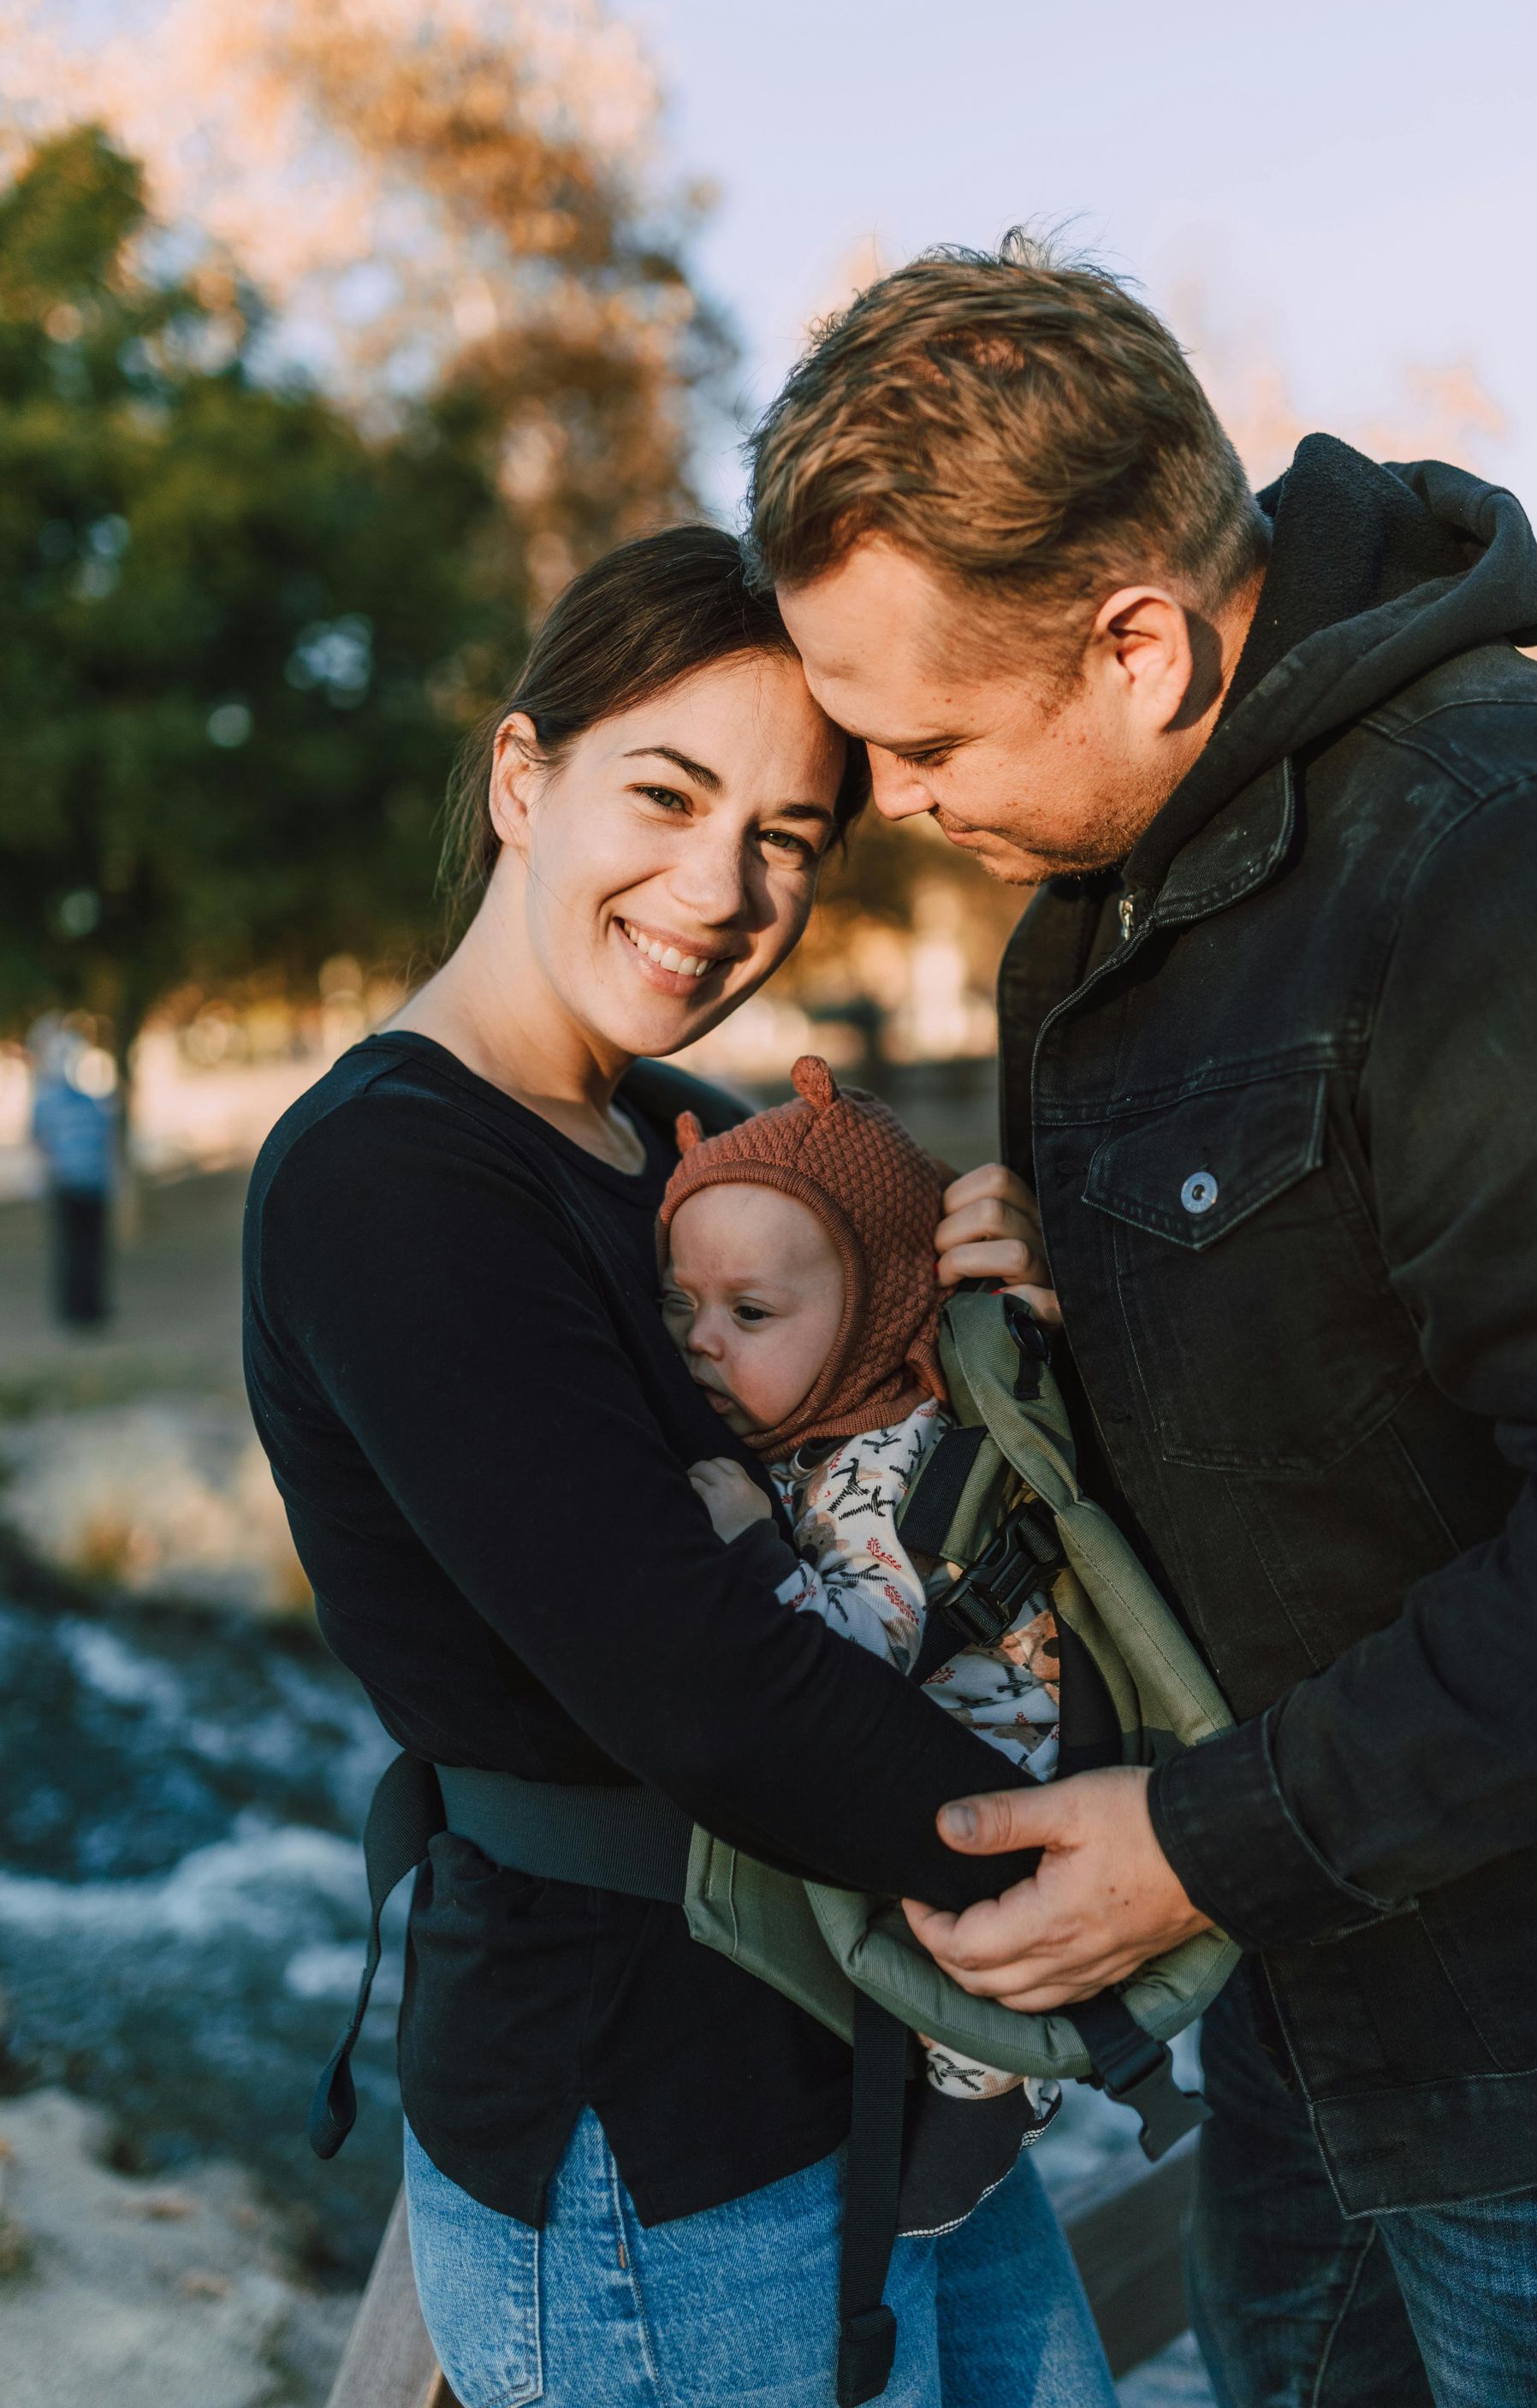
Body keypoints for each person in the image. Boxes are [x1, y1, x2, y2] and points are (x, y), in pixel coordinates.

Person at [746, 237, 1537, 2405]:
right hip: (1305, 2027)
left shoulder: (1505, 859)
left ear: (1138, 641)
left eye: (924, 736)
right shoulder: (1121, 892)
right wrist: (1096, 1313)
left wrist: (1183, 1847)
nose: (889, 801)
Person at [242, 526, 1114, 2408]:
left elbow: (917, 1481)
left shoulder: (701, 1144)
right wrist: (1099, 1869)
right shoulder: (392, 1182)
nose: (721, 889)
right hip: (649, 2136)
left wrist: (1004, 1323)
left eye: (788, 837)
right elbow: (692, 1683)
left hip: (875, 2051)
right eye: (665, 791)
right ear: (520, 777)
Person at [660, 1053, 1061, 2192]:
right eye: (682, 1307)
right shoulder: (819, 1444)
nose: (704, 1342)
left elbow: (859, 1656)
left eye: (750, 1312)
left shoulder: (893, 1465)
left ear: (878, 1309)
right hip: (938, 1774)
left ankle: (991, 2084)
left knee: (955, 1936)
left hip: (986, 1774)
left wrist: (752, 1548)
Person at [30, 1018, 117, 1327]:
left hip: (94, 1182)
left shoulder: (94, 1098)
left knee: (93, 1248)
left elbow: (105, 1138)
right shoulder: (48, 1101)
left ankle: (92, 1307)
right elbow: (40, 1141)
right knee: (72, 1249)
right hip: (68, 1183)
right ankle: (73, 1311)